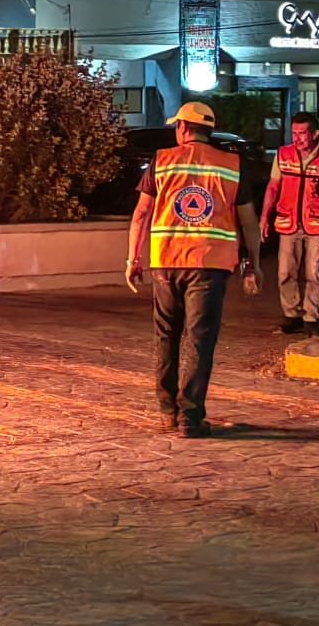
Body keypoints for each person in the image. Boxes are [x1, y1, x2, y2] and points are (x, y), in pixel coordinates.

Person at [125, 101, 263, 439]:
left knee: (166, 334)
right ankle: (191, 417)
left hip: (166, 262)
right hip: (210, 263)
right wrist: (253, 265)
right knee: (199, 340)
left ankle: (167, 411)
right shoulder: (232, 164)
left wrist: (133, 259)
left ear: (184, 128)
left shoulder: (162, 161)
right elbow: (248, 221)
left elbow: (141, 214)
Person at [260, 111, 319, 337]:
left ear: (314, 134)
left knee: (315, 273)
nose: (297, 138)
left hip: (317, 224)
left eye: (302, 134)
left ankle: (311, 318)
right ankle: (291, 314)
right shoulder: (283, 155)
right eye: (294, 133)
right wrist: (264, 217)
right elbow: (273, 187)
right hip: (288, 223)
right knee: (285, 271)